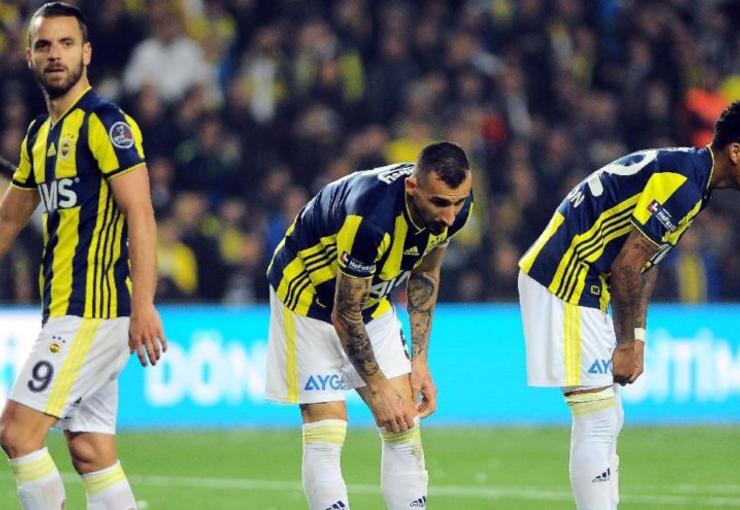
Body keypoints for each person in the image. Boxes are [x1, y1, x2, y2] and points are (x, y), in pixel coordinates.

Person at [518, 100, 740, 510]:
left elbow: (643, 262)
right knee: (598, 417)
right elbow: (627, 266)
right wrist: (625, 344)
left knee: (608, 416)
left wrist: (636, 338)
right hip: (565, 275)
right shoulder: (684, 184)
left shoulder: (692, 176)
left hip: (581, 280)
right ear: (736, 151)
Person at [0, 3, 165, 509]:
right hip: (67, 312)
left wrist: (144, 303)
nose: (56, 54)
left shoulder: (105, 123)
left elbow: (140, 212)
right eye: (44, 45)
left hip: (92, 312)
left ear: (86, 53)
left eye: (67, 44)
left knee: (17, 432)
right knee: (90, 451)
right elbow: (9, 219)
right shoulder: (38, 136)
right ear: (29, 57)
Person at [266, 141, 473, 509]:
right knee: (328, 430)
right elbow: (344, 314)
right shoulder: (371, 218)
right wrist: (377, 388)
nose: (449, 216)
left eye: (458, 203)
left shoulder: (455, 208)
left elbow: (426, 273)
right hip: (306, 296)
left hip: (369, 299)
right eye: (440, 203)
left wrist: (420, 361)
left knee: (403, 424)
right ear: (412, 188)